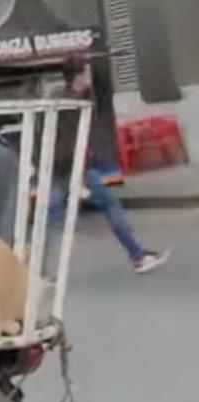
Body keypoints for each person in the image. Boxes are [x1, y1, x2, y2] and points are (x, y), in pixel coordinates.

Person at [50, 59, 168, 274]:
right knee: (110, 205)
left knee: (58, 210)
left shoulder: (63, 99)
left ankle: (138, 254)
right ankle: (138, 257)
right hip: (84, 167)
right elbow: (70, 139)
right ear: (77, 76)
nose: (87, 78)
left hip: (82, 166)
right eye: (84, 73)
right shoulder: (80, 102)